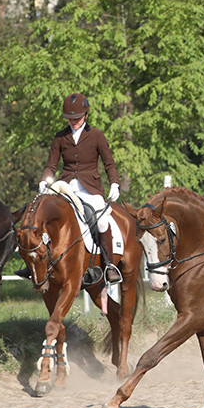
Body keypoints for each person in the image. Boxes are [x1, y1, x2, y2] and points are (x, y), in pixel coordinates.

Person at [40, 93, 122, 283]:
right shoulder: (60, 137)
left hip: (90, 189)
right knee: (46, 215)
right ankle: (40, 264)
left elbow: (109, 163)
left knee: (101, 222)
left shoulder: (96, 135)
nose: (73, 121)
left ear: (86, 115)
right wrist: (44, 180)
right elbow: (52, 164)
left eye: (77, 118)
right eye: (70, 118)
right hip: (66, 187)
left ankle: (109, 265)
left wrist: (115, 183)